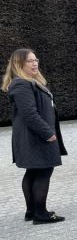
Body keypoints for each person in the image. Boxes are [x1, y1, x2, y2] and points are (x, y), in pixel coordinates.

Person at [2, 48, 67, 223]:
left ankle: (32, 211)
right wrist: (47, 133)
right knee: (44, 170)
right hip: (35, 136)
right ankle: (40, 213)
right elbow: (29, 114)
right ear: (18, 64)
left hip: (34, 136)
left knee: (33, 171)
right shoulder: (21, 84)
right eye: (30, 60)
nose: (35, 63)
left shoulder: (31, 82)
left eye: (35, 59)